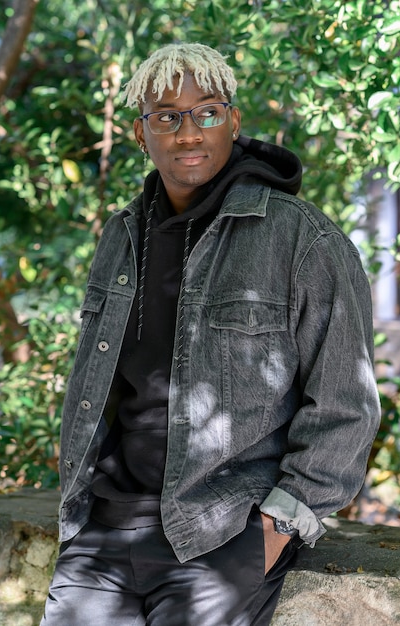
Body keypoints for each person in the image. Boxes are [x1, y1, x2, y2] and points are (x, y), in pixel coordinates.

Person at [41, 42, 380, 625]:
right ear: (139, 133)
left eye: (208, 112)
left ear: (234, 120)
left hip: (220, 536)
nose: (189, 132)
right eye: (167, 116)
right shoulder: (121, 236)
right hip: (103, 532)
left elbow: (346, 404)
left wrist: (273, 533)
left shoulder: (303, 241)